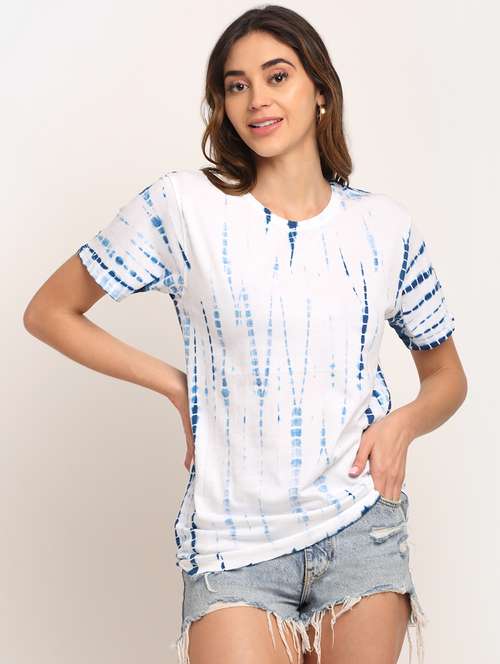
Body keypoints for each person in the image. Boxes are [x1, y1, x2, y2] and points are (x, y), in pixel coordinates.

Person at [23, 5, 468, 664]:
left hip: (361, 529)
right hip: (233, 544)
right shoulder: (184, 207)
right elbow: (50, 311)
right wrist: (176, 385)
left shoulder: (383, 227)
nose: (257, 98)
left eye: (277, 76)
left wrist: (403, 424)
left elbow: (447, 376)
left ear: (320, 90)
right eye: (237, 85)